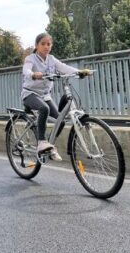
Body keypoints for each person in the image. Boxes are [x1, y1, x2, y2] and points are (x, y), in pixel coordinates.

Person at [22, 32, 90, 160]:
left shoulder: (52, 59)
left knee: (61, 121)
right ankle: (41, 142)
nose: (46, 46)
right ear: (37, 45)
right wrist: (33, 74)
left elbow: (64, 68)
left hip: (45, 96)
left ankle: (50, 146)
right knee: (44, 109)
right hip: (30, 94)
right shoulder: (30, 58)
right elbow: (26, 70)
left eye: (48, 44)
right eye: (43, 44)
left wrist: (80, 72)